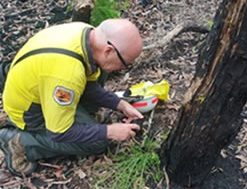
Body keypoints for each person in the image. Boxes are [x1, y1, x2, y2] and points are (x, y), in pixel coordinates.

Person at [0, 18, 144, 176]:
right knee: (96, 143)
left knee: (101, 70)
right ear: (108, 50)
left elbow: (88, 85)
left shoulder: (88, 34)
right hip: (30, 111)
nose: (124, 68)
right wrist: (108, 131)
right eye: (125, 63)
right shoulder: (67, 74)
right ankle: (20, 142)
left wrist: (119, 104)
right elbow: (60, 132)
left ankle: (82, 117)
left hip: (42, 89)